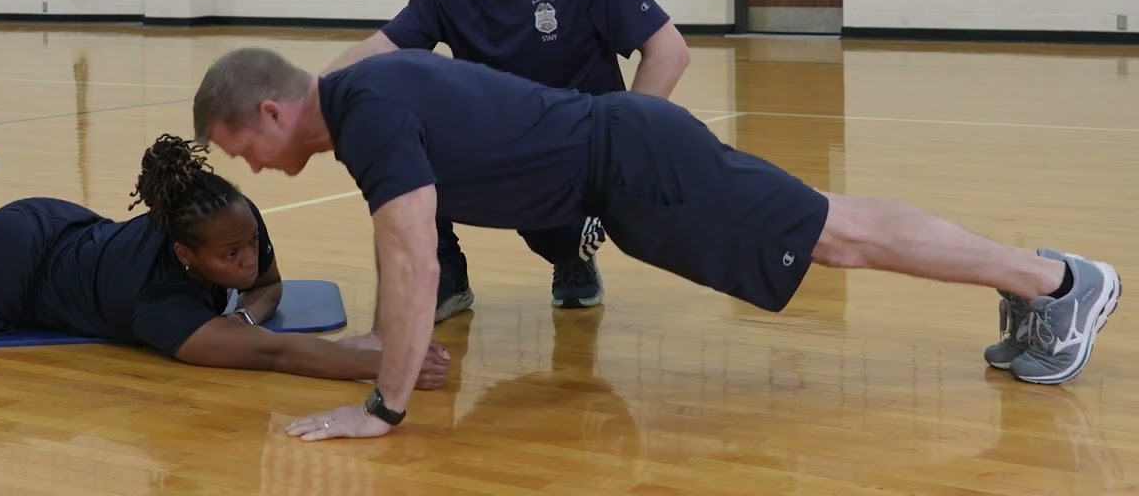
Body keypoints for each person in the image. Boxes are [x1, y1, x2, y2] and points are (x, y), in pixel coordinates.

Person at [192, 47, 1122, 442]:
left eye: (248, 150)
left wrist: (383, 408)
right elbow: (411, 252)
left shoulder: (364, 111)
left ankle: (1059, 280)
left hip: (634, 163)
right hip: (629, 162)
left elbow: (410, 258)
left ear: (273, 110)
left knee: (837, 235)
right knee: (834, 224)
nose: (261, 173)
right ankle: (1038, 282)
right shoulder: (368, 99)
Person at [322, 0, 691, 322]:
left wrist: (624, 144)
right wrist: (314, 94)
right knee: (393, 126)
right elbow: (383, 47)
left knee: (556, 237)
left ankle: (572, 257)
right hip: (498, 146)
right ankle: (445, 274)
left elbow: (669, 51)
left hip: (576, 151)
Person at [0, 133, 449, 389]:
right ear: (184, 255)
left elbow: (268, 287)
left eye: (248, 244)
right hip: (2, 272)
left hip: (53, 230)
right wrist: (386, 363)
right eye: (230, 255)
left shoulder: (231, 217)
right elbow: (274, 352)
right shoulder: (160, 306)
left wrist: (246, 312)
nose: (248, 260)